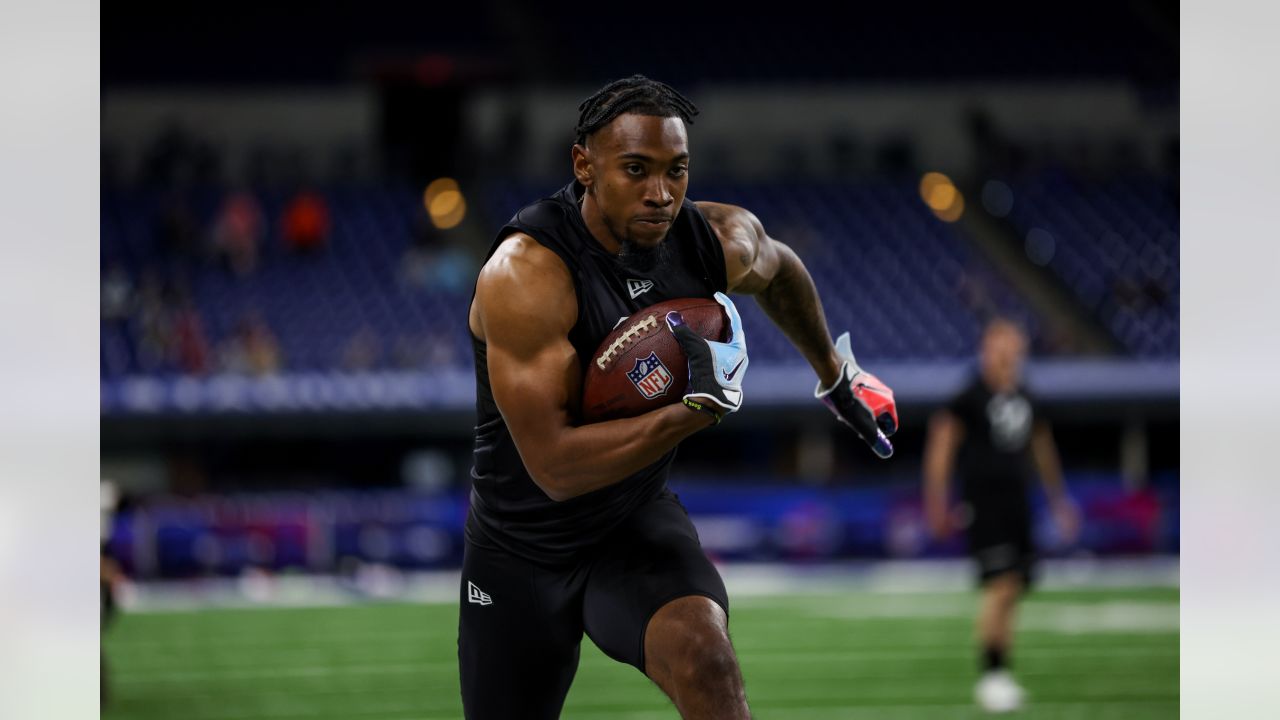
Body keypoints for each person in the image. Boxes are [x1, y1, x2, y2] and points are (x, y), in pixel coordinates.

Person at [462, 75, 899, 719]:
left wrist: (834, 375)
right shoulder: (526, 275)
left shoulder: (711, 239)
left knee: (708, 661)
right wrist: (690, 413)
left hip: (629, 526)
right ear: (584, 165)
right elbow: (554, 468)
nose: (661, 194)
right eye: (636, 170)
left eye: (677, 171)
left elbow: (781, 271)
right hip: (518, 548)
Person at [921, 318, 1080, 713]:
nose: (1008, 355)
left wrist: (1057, 499)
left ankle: (1000, 671)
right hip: (984, 501)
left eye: (1014, 348)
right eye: (1000, 347)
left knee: (1014, 588)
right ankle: (991, 674)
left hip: (1018, 500)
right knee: (1001, 586)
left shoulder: (1026, 395)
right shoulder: (969, 396)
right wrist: (937, 503)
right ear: (986, 350)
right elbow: (941, 446)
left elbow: (1042, 447)